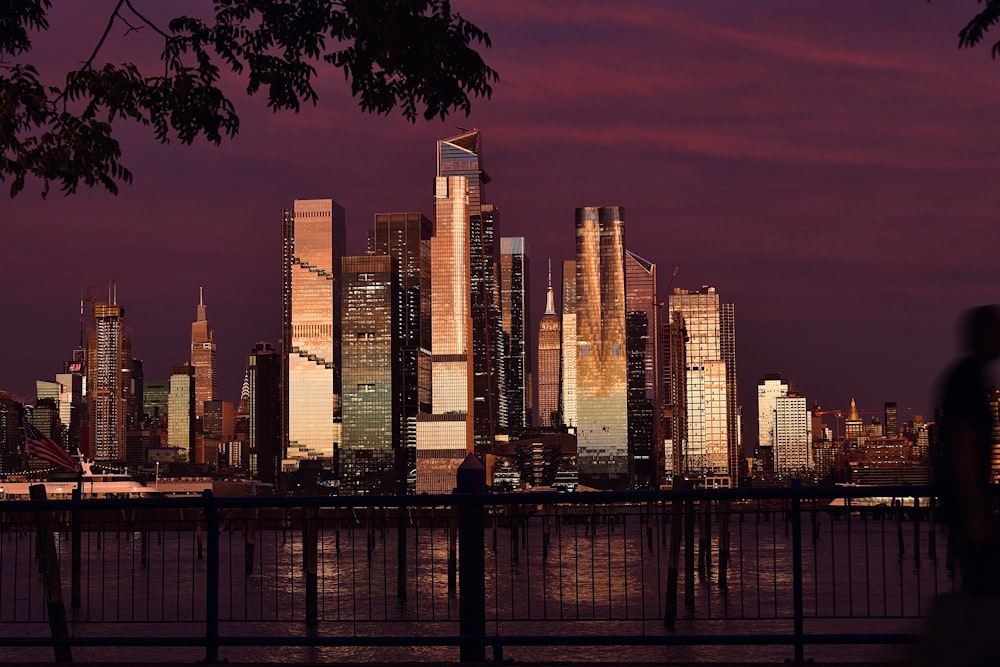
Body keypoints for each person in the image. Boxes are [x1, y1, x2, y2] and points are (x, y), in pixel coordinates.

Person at [936, 304, 1000, 595]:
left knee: (976, 588)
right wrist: (976, 511)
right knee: (981, 589)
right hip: (968, 505)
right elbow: (964, 448)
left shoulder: (965, 376)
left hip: (964, 502)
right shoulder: (968, 380)